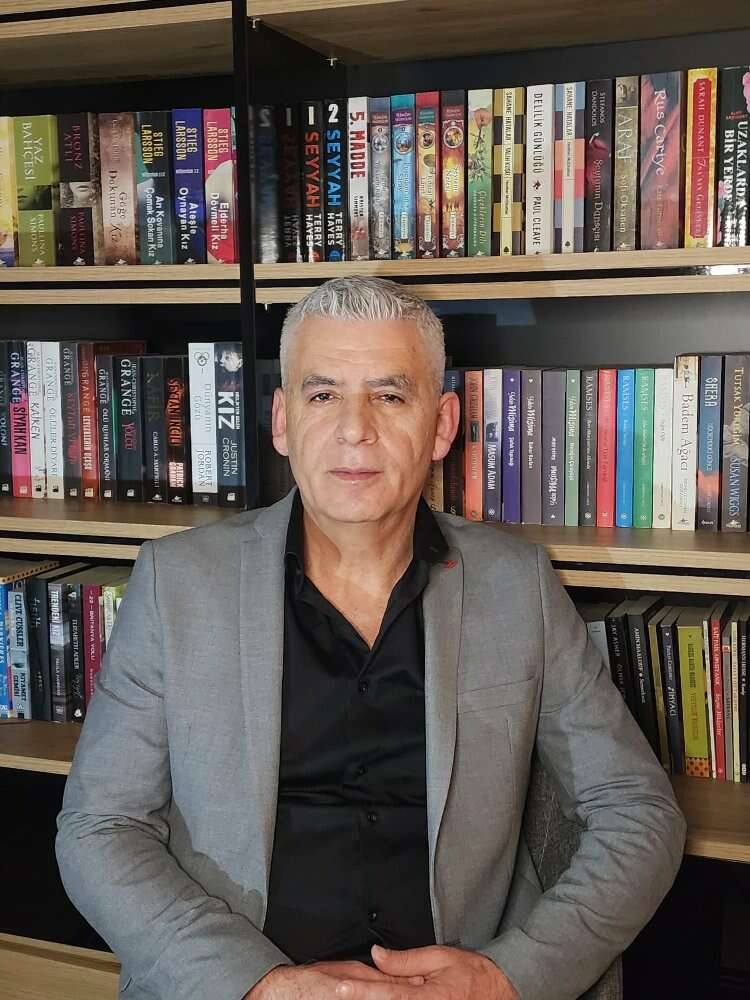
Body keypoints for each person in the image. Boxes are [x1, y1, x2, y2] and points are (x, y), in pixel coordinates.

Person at [56, 276, 686, 1000]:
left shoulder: (517, 586)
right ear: (282, 420)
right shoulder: (178, 584)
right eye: (323, 394)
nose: (355, 429)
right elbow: (99, 828)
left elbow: (638, 813)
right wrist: (257, 985)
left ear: (442, 425)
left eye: (389, 395)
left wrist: (509, 977)